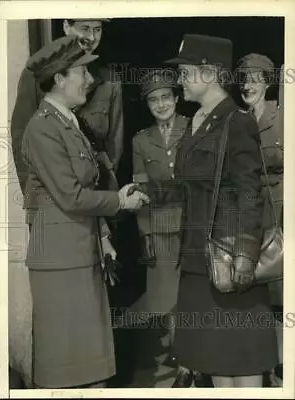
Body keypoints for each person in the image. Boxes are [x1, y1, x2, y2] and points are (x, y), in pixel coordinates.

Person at [134, 34, 278, 388]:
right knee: (213, 364)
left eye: (184, 71)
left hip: (229, 265)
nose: (180, 78)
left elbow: (249, 195)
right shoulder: (198, 120)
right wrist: (144, 192)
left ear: (209, 73)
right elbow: (190, 186)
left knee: (242, 366)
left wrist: (241, 263)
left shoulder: (236, 121)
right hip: (198, 263)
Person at [20, 35, 149, 389]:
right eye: (82, 72)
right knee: (69, 373)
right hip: (61, 263)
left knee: (92, 372)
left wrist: (105, 231)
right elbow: (72, 196)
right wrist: (119, 202)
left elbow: (86, 188)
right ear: (59, 79)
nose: (91, 80)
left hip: (80, 252)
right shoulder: (43, 128)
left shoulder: (68, 123)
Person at [11, 18, 123, 204]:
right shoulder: (38, 76)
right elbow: (21, 140)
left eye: (98, 29)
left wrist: (102, 194)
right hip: (52, 199)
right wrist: (35, 198)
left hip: (97, 198)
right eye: (85, 28)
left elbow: (114, 146)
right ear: (66, 26)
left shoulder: (110, 80)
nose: (91, 37)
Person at [132, 69, 188, 368]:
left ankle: (197, 358)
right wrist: (145, 234)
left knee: (195, 294)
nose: (161, 104)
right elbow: (140, 191)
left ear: (177, 98)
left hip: (193, 225)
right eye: (154, 100)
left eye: (166, 97)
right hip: (161, 227)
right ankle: (181, 359)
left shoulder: (194, 129)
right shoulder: (140, 141)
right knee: (168, 298)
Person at [236, 54, 284, 386]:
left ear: (267, 82)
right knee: (253, 289)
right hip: (247, 211)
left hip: (279, 209)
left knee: (281, 289)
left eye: (255, 78)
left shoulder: (283, 116)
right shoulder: (235, 120)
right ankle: (260, 363)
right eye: (244, 79)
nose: (248, 85)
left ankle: (281, 363)